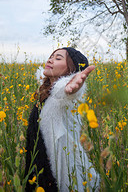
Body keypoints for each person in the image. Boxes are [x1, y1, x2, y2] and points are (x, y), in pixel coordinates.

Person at [24, 47, 100, 191]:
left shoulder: (64, 96)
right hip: (43, 160)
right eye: (51, 56)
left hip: (62, 167)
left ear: (70, 70)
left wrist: (73, 86)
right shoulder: (46, 92)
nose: (50, 59)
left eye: (58, 58)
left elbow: (65, 91)